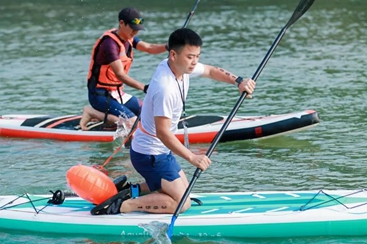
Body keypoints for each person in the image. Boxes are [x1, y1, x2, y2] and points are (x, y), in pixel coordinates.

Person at [91, 28, 256, 215]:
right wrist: (192, 157)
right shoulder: (165, 88)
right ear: (173, 54)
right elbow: (163, 133)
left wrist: (239, 81)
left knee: (181, 189)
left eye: (197, 56)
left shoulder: (178, 66)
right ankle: (120, 206)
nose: (194, 62)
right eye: (190, 57)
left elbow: (210, 71)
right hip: (150, 154)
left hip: (159, 151)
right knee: (182, 203)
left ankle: (130, 190)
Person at [79, 7, 168, 131]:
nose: (135, 32)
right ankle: (92, 112)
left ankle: (108, 117)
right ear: (121, 23)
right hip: (100, 96)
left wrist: (168, 46)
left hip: (117, 94)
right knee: (133, 124)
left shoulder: (128, 38)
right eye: (133, 29)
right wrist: (144, 87)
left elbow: (149, 47)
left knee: (150, 113)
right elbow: (120, 75)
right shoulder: (109, 44)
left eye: (137, 29)